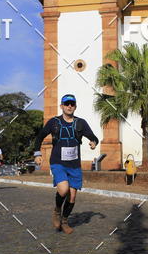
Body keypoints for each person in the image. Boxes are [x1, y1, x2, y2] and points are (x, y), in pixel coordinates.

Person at [34, 94, 99, 234]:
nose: (69, 106)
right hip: (58, 162)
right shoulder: (54, 122)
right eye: (67, 104)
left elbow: (93, 136)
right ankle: (57, 211)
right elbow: (39, 137)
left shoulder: (81, 123)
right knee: (63, 190)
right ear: (61, 106)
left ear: (75, 106)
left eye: (72, 104)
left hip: (74, 165)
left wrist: (93, 142)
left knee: (72, 197)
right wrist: (37, 154)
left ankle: (64, 221)